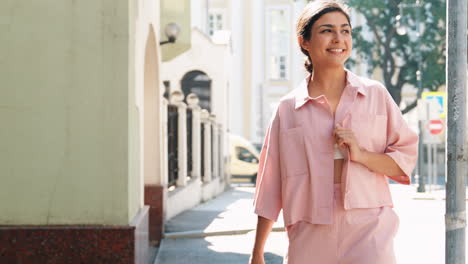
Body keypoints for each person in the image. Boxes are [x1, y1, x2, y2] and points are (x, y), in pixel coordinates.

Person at [249, 1, 418, 263]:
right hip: (309, 229)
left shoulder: (375, 95)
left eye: (346, 30)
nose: (338, 39)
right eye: (327, 30)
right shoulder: (287, 109)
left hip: (369, 226)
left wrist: (361, 154)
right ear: (304, 41)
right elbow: (270, 183)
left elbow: (404, 161)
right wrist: (257, 251)